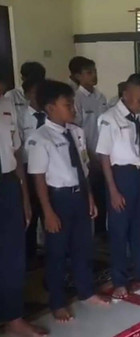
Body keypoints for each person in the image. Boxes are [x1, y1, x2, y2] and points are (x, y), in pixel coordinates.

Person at [28, 80, 111, 322]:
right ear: (51, 107)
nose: (73, 109)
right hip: (58, 200)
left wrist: (90, 198)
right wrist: (48, 212)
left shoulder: (76, 132)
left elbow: (83, 168)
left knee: (83, 248)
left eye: (72, 104)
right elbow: (38, 178)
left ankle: (86, 292)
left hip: (80, 195)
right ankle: (57, 302)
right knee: (56, 254)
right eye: (67, 105)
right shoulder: (39, 138)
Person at [96, 74, 140, 299]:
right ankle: (119, 280)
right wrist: (113, 190)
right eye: (138, 100)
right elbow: (104, 156)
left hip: (138, 174)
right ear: (125, 95)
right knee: (119, 231)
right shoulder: (109, 118)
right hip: (119, 175)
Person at [0, 77, 48, 337]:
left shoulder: (7, 106)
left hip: (8, 183)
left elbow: (16, 152)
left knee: (13, 256)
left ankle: (14, 319)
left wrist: (25, 198)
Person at [72, 56, 108, 235]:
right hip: (87, 155)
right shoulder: (76, 99)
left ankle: (101, 230)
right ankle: (87, 232)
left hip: (103, 154)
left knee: (103, 193)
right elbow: (77, 129)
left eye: (94, 71)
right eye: (88, 73)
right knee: (89, 193)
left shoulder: (100, 96)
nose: (93, 76)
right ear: (78, 76)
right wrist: (90, 156)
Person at [17, 78, 45, 260]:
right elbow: (18, 146)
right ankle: (30, 252)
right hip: (28, 168)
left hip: (47, 168)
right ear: (27, 95)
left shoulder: (48, 115)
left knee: (48, 209)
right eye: (35, 93)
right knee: (31, 211)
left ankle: (50, 248)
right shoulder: (21, 116)